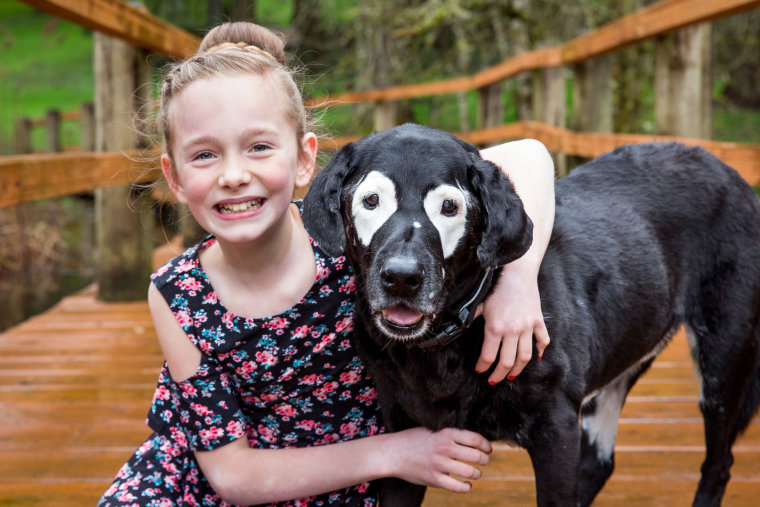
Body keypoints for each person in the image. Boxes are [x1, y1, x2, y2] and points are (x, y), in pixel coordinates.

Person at [100, 21, 554, 507]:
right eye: (205, 155)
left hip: (336, 485)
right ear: (173, 175)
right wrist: (397, 453)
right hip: (217, 481)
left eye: (259, 147)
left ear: (304, 159)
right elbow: (232, 475)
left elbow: (527, 155)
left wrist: (518, 282)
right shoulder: (177, 294)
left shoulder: (352, 237)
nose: (234, 175)